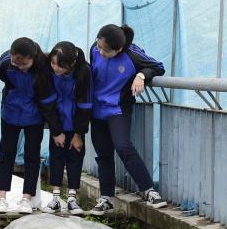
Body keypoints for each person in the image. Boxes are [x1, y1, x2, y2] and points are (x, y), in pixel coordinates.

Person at [89, 24, 168, 212]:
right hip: (97, 109)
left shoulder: (132, 54)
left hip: (117, 109)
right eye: (99, 46)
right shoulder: (94, 50)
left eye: (106, 50)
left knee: (123, 146)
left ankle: (149, 190)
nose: (100, 51)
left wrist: (141, 75)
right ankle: (106, 198)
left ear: (118, 50)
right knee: (103, 154)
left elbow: (158, 66)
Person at [0, 38, 61, 215]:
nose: (20, 67)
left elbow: (48, 101)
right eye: (16, 63)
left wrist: (56, 130)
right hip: (10, 113)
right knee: (6, 154)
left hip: (34, 117)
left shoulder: (43, 68)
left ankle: (26, 199)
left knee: (32, 156)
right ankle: (1, 197)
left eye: (24, 64)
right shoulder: (5, 63)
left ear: (33, 58)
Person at [44, 42, 93, 215]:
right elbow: (47, 102)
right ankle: (56, 197)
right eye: (53, 63)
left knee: (75, 156)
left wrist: (79, 134)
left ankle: (72, 197)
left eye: (60, 65)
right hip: (57, 121)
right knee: (56, 156)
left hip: (76, 122)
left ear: (72, 63)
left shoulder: (84, 72)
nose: (55, 67)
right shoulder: (48, 71)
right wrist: (56, 131)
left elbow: (86, 105)